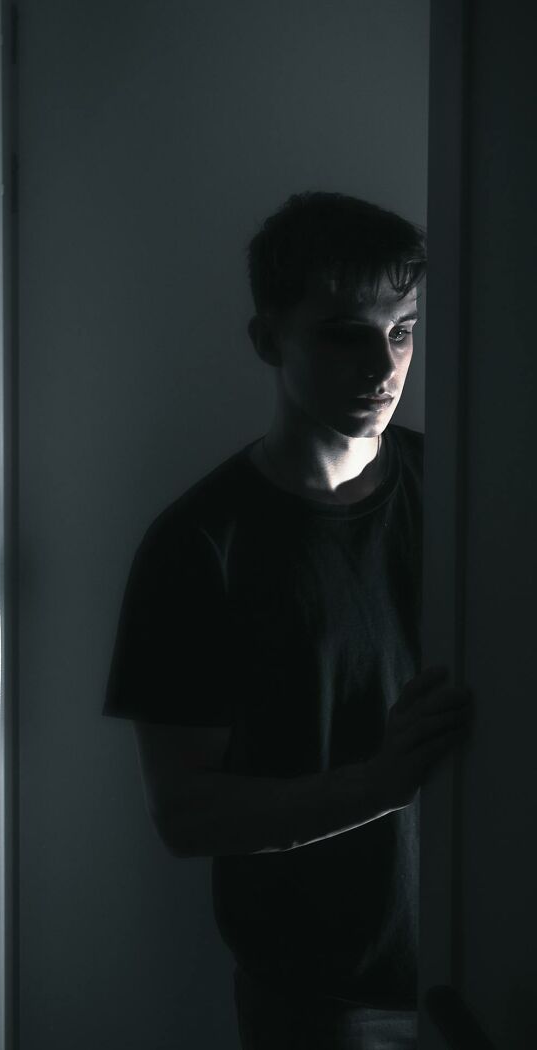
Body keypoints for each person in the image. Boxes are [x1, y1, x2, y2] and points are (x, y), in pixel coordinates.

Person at [102, 191, 473, 1048]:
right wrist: (375, 788)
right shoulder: (199, 545)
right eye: (345, 332)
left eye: (403, 330)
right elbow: (186, 815)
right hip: (322, 1004)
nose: (383, 366)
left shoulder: (459, 481)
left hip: (485, 973)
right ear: (270, 341)